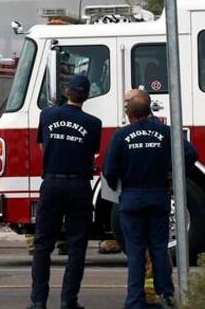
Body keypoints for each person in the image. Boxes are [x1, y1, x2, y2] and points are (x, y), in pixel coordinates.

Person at [103, 89, 199, 309]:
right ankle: (166, 296)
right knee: (159, 248)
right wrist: (172, 173)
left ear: (129, 115)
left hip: (131, 198)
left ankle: (135, 300)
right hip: (158, 195)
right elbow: (191, 154)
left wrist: (120, 186)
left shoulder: (121, 135)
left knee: (136, 251)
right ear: (150, 111)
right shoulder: (166, 132)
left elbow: (109, 170)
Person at [29, 74, 101, 309]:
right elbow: (92, 153)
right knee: (77, 246)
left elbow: (42, 145)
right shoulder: (93, 123)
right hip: (79, 185)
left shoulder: (47, 115)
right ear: (86, 96)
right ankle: (69, 301)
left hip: (51, 183)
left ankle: (38, 301)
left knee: (42, 245)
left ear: (66, 92)